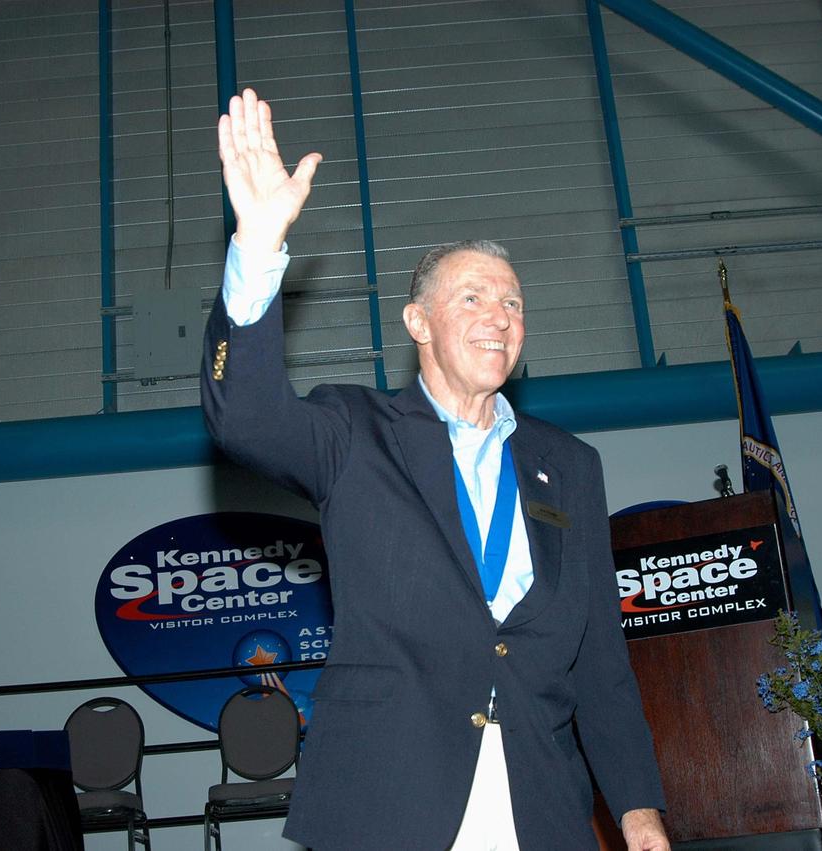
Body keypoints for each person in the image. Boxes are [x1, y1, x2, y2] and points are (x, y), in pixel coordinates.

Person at [202, 88, 670, 851]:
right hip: (392, 801)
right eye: (474, 296)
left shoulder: (570, 465)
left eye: (514, 303)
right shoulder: (356, 432)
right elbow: (245, 418)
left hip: (541, 804)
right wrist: (257, 244)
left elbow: (600, 663)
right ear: (418, 322)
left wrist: (638, 806)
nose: (501, 315)